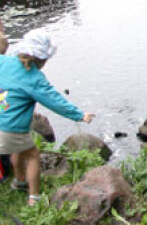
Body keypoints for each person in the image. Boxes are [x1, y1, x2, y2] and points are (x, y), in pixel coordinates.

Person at [0, 29, 94, 206]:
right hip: (11, 130)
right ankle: (33, 197)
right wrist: (79, 115)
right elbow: (55, 102)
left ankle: (19, 180)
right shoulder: (34, 78)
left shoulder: (3, 62)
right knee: (33, 155)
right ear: (42, 60)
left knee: (17, 150)